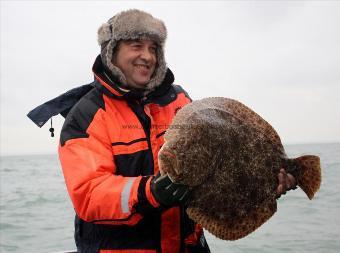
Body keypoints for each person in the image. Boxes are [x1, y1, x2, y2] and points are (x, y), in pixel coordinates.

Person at [28, 9, 296, 253]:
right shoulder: (87, 115)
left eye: (153, 48)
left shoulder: (180, 102)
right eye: (137, 46)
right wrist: (151, 191)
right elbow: (89, 194)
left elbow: (219, 165)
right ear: (111, 52)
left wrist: (261, 183)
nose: (147, 56)